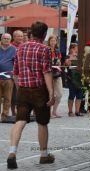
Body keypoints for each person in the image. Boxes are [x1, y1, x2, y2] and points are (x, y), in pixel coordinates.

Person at [7, 22, 55, 169]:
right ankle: (44, 155)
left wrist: (19, 87)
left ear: (31, 33)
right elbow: (46, 72)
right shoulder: (45, 49)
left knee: (20, 120)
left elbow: (15, 72)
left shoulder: (20, 48)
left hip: (23, 89)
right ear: (44, 34)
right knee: (42, 122)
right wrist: (51, 93)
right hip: (39, 90)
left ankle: (12, 153)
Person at [0, 33, 16, 122]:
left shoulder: (14, 49)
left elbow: (17, 62)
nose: (6, 40)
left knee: (7, 98)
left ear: (10, 40)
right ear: (1, 39)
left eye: (8, 39)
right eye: (4, 38)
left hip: (8, 77)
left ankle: (4, 116)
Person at [65, 43, 83, 117]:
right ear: (71, 49)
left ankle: (77, 111)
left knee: (79, 95)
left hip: (79, 77)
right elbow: (67, 64)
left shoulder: (79, 56)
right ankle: (70, 111)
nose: (76, 49)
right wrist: (72, 57)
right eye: (75, 48)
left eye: (76, 48)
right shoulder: (68, 56)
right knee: (72, 94)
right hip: (71, 78)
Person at [48, 36, 63, 118]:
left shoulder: (57, 51)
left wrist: (58, 62)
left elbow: (59, 62)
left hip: (57, 74)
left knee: (59, 94)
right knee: (51, 94)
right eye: (51, 40)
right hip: (49, 74)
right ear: (49, 41)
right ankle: (49, 112)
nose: (53, 42)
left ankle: (54, 111)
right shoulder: (46, 50)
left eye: (54, 41)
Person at [10, 30, 24, 117]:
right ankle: (13, 112)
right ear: (14, 37)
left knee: (22, 93)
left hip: (23, 74)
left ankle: (21, 111)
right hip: (13, 73)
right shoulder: (10, 47)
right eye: (18, 36)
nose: (20, 38)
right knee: (13, 94)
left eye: (21, 36)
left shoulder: (23, 46)